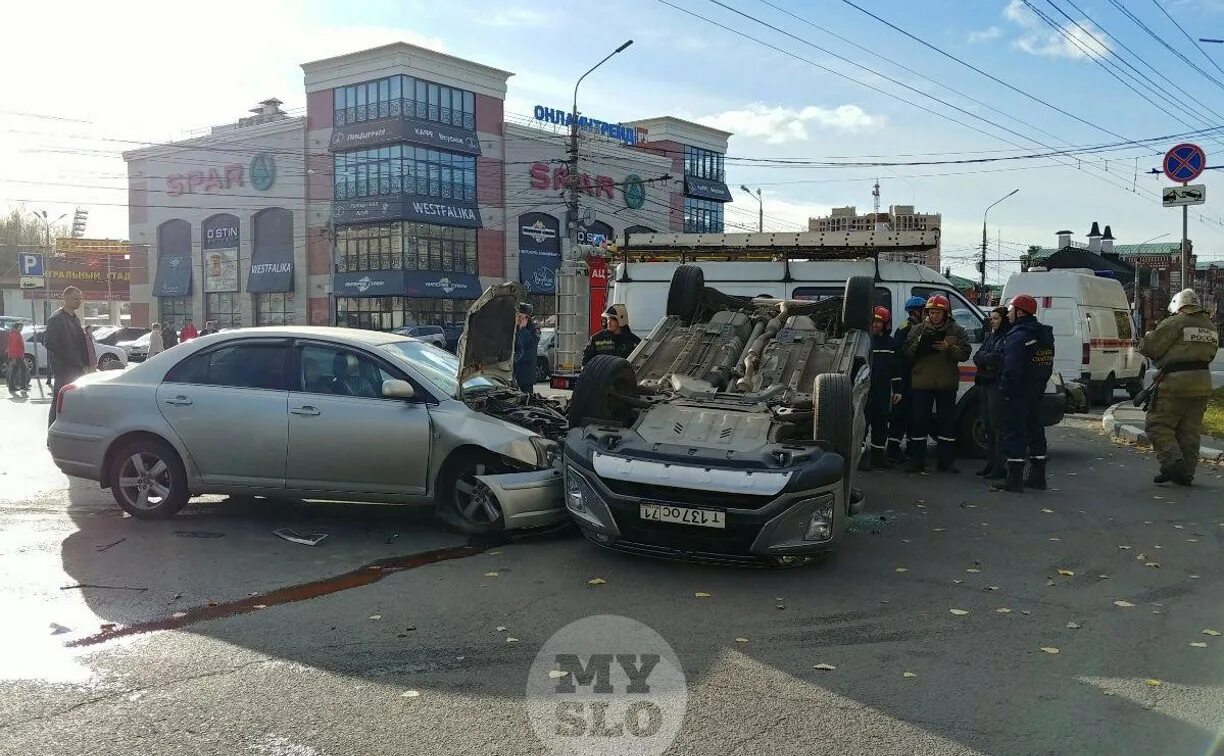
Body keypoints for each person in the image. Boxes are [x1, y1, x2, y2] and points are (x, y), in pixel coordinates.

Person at [1137, 288, 1220, 485]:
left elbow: (1150, 347)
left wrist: (1148, 336)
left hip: (1175, 384)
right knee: (1189, 431)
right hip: (1202, 384)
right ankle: (1185, 474)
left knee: (1157, 425)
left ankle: (1172, 462)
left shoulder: (1176, 322)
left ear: (1177, 306)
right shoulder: (1210, 326)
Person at [992, 294, 1056, 493]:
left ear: (1020, 312)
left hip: (1018, 393)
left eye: (1011, 310)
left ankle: (1014, 479)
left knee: (1015, 434)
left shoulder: (1017, 336)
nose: (1009, 314)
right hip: (1036, 392)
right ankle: (1038, 477)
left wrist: (1005, 390)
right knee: (1036, 432)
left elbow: (1011, 369)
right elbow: (1046, 365)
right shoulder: (1044, 334)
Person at [903, 294, 972, 473]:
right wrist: (919, 344)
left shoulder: (957, 330)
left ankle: (946, 462)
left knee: (947, 422)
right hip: (922, 382)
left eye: (938, 312)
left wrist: (949, 348)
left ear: (945, 313)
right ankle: (916, 460)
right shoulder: (917, 329)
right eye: (931, 312)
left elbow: (965, 353)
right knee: (919, 421)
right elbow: (907, 353)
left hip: (946, 383)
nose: (934, 316)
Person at [885, 296, 928, 464]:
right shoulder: (906, 328)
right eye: (924, 310)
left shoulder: (919, 327)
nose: (926, 313)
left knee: (912, 416)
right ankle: (893, 450)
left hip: (914, 378)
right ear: (915, 311)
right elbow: (898, 354)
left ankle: (911, 450)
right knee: (900, 416)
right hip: (904, 378)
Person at [860, 306, 902, 471]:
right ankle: (861, 459)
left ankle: (878, 459)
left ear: (886, 324)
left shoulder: (891, 344)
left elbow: (896, 370)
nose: (875, 325)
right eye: (873, 321)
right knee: (862, 426)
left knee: (881, 426)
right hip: (864, 391)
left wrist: (898, 390)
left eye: (879, 322)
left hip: (882, 392)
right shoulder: (862, 342)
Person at [972, 307, 1011, 479]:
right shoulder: (990, 336)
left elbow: (997, 359)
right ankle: (991, 463)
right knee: (988, 426)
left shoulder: (1006, 337)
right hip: (985, 383)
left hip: (997, 385)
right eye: (991, 318)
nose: (992, 321)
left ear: (1003, 320)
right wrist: (984, 359)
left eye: (995, 318)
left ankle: (999, 466)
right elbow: (977, 356)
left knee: (997, 427)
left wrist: (985, 359)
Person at [45, 286, 91, 425]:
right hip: (64, 369)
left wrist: (86, 363)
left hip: (77, 367)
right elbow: (49, 343)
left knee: (75, 402)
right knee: (59, 400)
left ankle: (71, 432)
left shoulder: (75, 319)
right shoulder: (57, 318)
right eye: (75, 299)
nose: (79, 301)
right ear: (65, 298)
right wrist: (68, 358)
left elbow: (81, 344)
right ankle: (52, 433)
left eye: (80, 299)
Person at [513, 303, 540, 393]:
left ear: (528, 318)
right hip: (513, 374)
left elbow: (528, 350)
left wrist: (522, 330)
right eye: (518, 316)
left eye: (522, 317)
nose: (520, 319)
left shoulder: (533, 331)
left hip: (526, 374)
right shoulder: (514, 329)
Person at [6, 321, 29, 397]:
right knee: (23, 369)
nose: (21, 329)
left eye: (22, 327)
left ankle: (12, 386)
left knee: (14, 370)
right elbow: (12, 347)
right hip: (16, 356)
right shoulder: (14, 335)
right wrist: (13, 358)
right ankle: (22, 385)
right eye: (20, 327)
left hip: (18, 356)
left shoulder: (17, 334)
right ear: (16, 327)